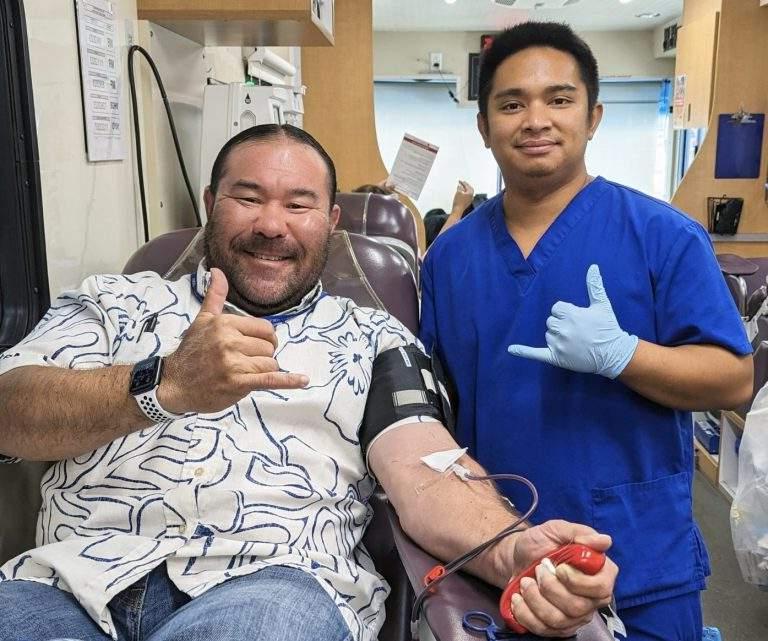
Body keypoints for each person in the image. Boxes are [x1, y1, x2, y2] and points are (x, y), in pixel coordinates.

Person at [0, 124, 617, 641]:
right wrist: (162, 384)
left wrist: (512, 550)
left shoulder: (374, 338)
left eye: (299, 204)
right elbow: (9, 412)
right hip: (67, 586)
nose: (273, 224)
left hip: (268, 584)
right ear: (209, 202)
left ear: (331, 220)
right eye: (247, 198)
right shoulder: (114, 303)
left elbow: (423, 464)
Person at [419, 22, 753, 641]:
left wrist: (624, 355)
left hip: (636, 555)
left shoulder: (663, 237)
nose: (535, 119)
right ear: (484, 125)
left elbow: (733, 379)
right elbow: (434, 411)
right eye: (512, 103)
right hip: (500, 552)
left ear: (593, 116)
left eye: (559, 99)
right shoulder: (449, 257)